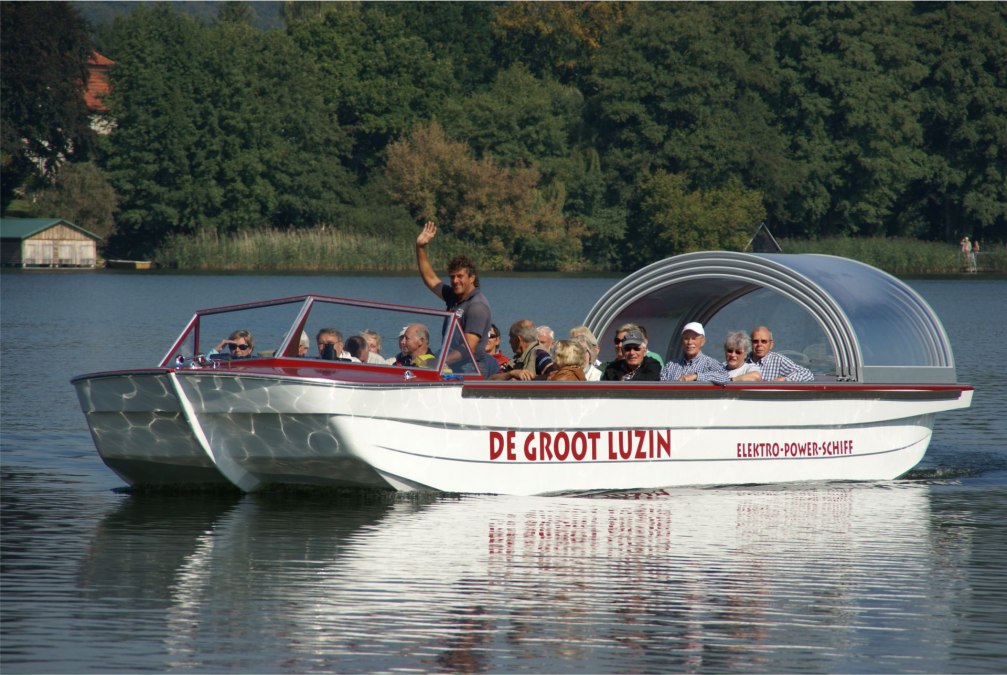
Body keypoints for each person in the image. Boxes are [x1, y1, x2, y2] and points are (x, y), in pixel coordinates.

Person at [415, 221, 499, 377]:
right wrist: (420, 248)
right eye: (452, 277)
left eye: (460, 276)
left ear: (472, 278)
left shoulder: (477, 306)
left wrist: (440, 362)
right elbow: (431, 280)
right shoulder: (455, 297)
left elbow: (468, 347)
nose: (455, 281)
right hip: (452, 366)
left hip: (470, 369)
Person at [659, 322, 729, 383]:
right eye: (686, 338)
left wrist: (696, 376)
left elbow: (725, 377)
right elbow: (661, 386)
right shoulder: (671, 365)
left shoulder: (710, 363)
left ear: (703, 341)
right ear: (682, 342)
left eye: (694, 338)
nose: (690, 342)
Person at [490, 320, 557, 380]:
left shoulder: (540, 354)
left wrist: (528, 378)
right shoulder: (517, 359)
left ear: (518, 339)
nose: (509, 342)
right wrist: (511, 374)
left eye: (511, 337)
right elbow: (492, 378)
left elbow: (554, 375)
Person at [746, 325, 814, 382]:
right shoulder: (743, 359)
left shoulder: (779, 361)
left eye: (764, 341)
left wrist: (785, 380)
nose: (759, 345)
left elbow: (806, 374)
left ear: (771, 345)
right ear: (750, 343)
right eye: (755, 341)